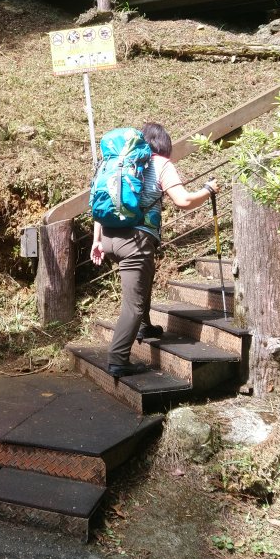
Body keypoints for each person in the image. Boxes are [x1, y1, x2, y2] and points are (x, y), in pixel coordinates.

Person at [90, 122, 218, 378]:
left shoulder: (119, 163)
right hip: (135, 242)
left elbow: (100, 202)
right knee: (133, 306)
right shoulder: (161, 164)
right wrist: (208, 190)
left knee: (143, 278)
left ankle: (145, 326)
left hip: (109, 237)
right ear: (165, 145)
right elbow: (182, 200)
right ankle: (118, 360)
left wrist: (97, 240)